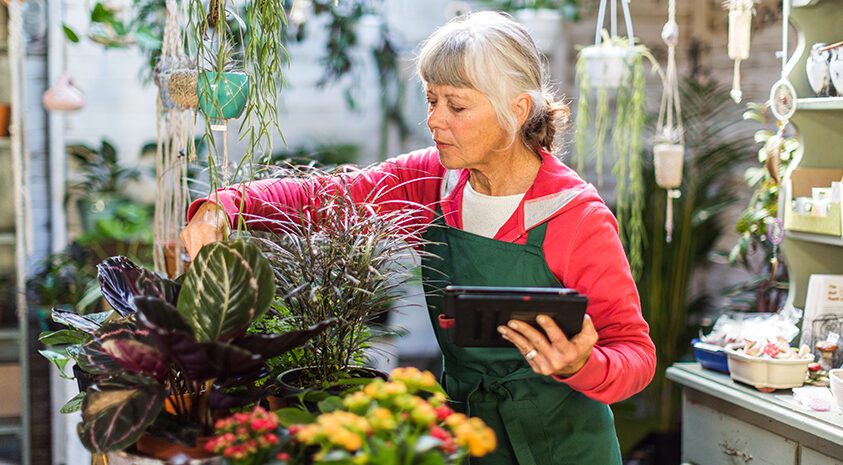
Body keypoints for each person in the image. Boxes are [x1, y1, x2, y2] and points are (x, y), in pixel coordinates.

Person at [181, 11, 655, 465]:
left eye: (457, 105)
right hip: (467, 436)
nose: (434, 120)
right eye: (432, 100)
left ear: (518, 109)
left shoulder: (575, 217)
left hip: (563, 446)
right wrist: (224, 205)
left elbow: (635, 353)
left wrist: (580, 365)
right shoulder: (435, 182)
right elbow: (326, 194)